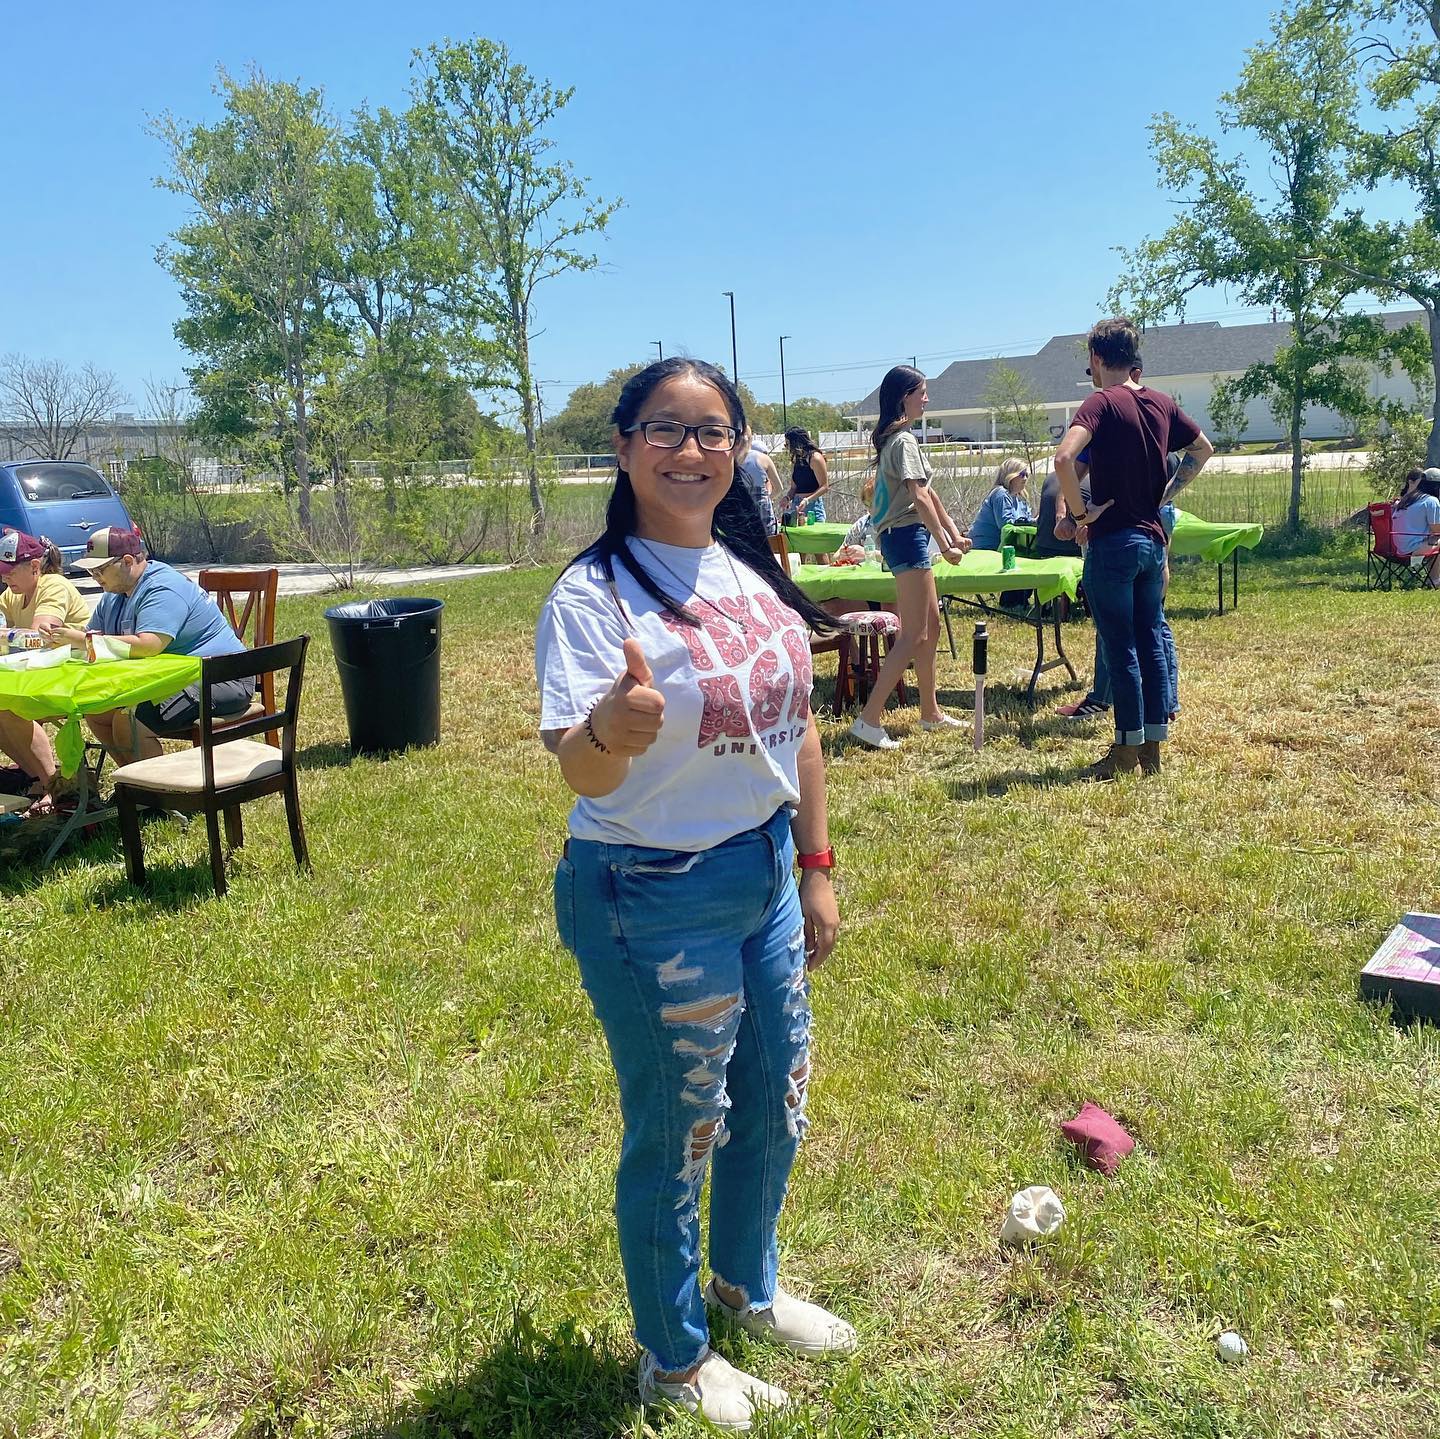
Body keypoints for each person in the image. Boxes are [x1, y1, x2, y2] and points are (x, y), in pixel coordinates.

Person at [536, 357, 854, 1431]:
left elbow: (799, 725)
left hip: (761, 872)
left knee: (775, 1098)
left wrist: (815, 868)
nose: (690, 450)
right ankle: (672, 1360)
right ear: (623, 447)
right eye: (666, 429)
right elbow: (581, 773)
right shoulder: (592, 597)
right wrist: (607, 732)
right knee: (681, 1129)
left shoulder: (746, 571)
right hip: (650, 893)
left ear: (739, 450)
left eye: (713, 431)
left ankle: (745, 1289)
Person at [1054, 318, 1213, 779]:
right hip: (1152, 542)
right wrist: (1165, 494)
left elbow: (1064, 458)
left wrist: (1082, 517)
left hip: (1114, 542)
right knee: (1152, 640)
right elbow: (1202, 450)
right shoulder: (1161, 403)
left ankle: (1125, 751)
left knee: (1120, 644)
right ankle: (1153, 751)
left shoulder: (1101, 403)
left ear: (1098, 359)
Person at [49, 527, 253, 764]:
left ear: (127, 561)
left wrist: (82, 641)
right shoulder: (113, 593)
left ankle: (157, 797)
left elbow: (148, 646)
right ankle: (133, 788)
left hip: (222, 676)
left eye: (99, 569)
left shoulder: (162, 587)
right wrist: (61, 638)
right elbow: (93, 635)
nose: (94, 575)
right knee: (98, 711)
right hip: (174, 676)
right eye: (90, 569)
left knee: (130, 720)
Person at [849, 365, 972, 749]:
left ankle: (930, 712)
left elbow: (929, 494)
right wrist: (946, 545)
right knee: (913, 633)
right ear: (905, 396)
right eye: (922, 392)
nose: (927, 398)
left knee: (931, 628)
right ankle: (868, 720)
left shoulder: (901, 441)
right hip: (904, 537)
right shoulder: (902, 442)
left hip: (910, 535)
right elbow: (918, 498)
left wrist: (953, 535)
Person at [0, 527, 91, 804]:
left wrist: (6, 637)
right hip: (42, 675)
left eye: (10, 571)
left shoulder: (54, 585)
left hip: (79, 675)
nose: (4, 576)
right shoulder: (13, 594)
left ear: (35, 567)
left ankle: (56, 787)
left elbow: (41, 637)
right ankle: (38, 779)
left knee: (11, 707)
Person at [967, 458, 1034, 551]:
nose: (1025, 478)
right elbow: (1006, 525)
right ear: (1010, 475)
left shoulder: (1021, 499)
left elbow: (1027, 522)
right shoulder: (1001, 493)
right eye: (1022, 474)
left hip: (1005, 548)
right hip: (985, 547)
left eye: (1026, 475)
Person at [1393, 470, 1440, 585]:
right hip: (1413, 548)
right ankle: (1435, 580)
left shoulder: (1406, 499)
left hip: (1399, 547)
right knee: (1436, 540)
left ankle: (1434, 580)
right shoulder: (1431, 501)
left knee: (1434, 540)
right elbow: (1437, 530)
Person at [735, 425, 780, 535]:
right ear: (751, 438)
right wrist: (769, 498)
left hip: (739, 521)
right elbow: (779, 488)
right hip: (764, 521)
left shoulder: (729, 460)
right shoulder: (763, 458)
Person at [781, 427, 830, 524]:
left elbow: (824, 486)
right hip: (796, 506)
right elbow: (793, 488)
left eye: (787, 444)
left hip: (812, 506)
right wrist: (787, 498)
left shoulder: (815, 458)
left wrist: (807, 500)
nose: (786, 447)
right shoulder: (797, 460)